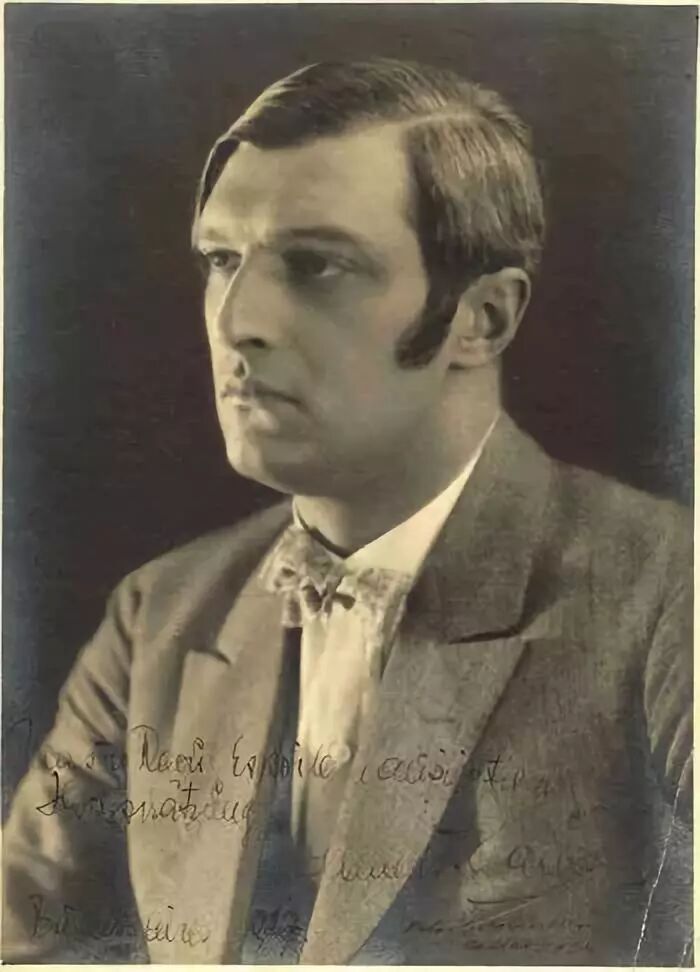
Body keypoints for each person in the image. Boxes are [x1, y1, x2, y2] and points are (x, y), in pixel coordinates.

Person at [3, 58, 692, 965]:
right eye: (222, 261)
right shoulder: (160, 613)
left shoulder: (666, 591)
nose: (236, 321)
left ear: (481, 318)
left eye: (317, 265)